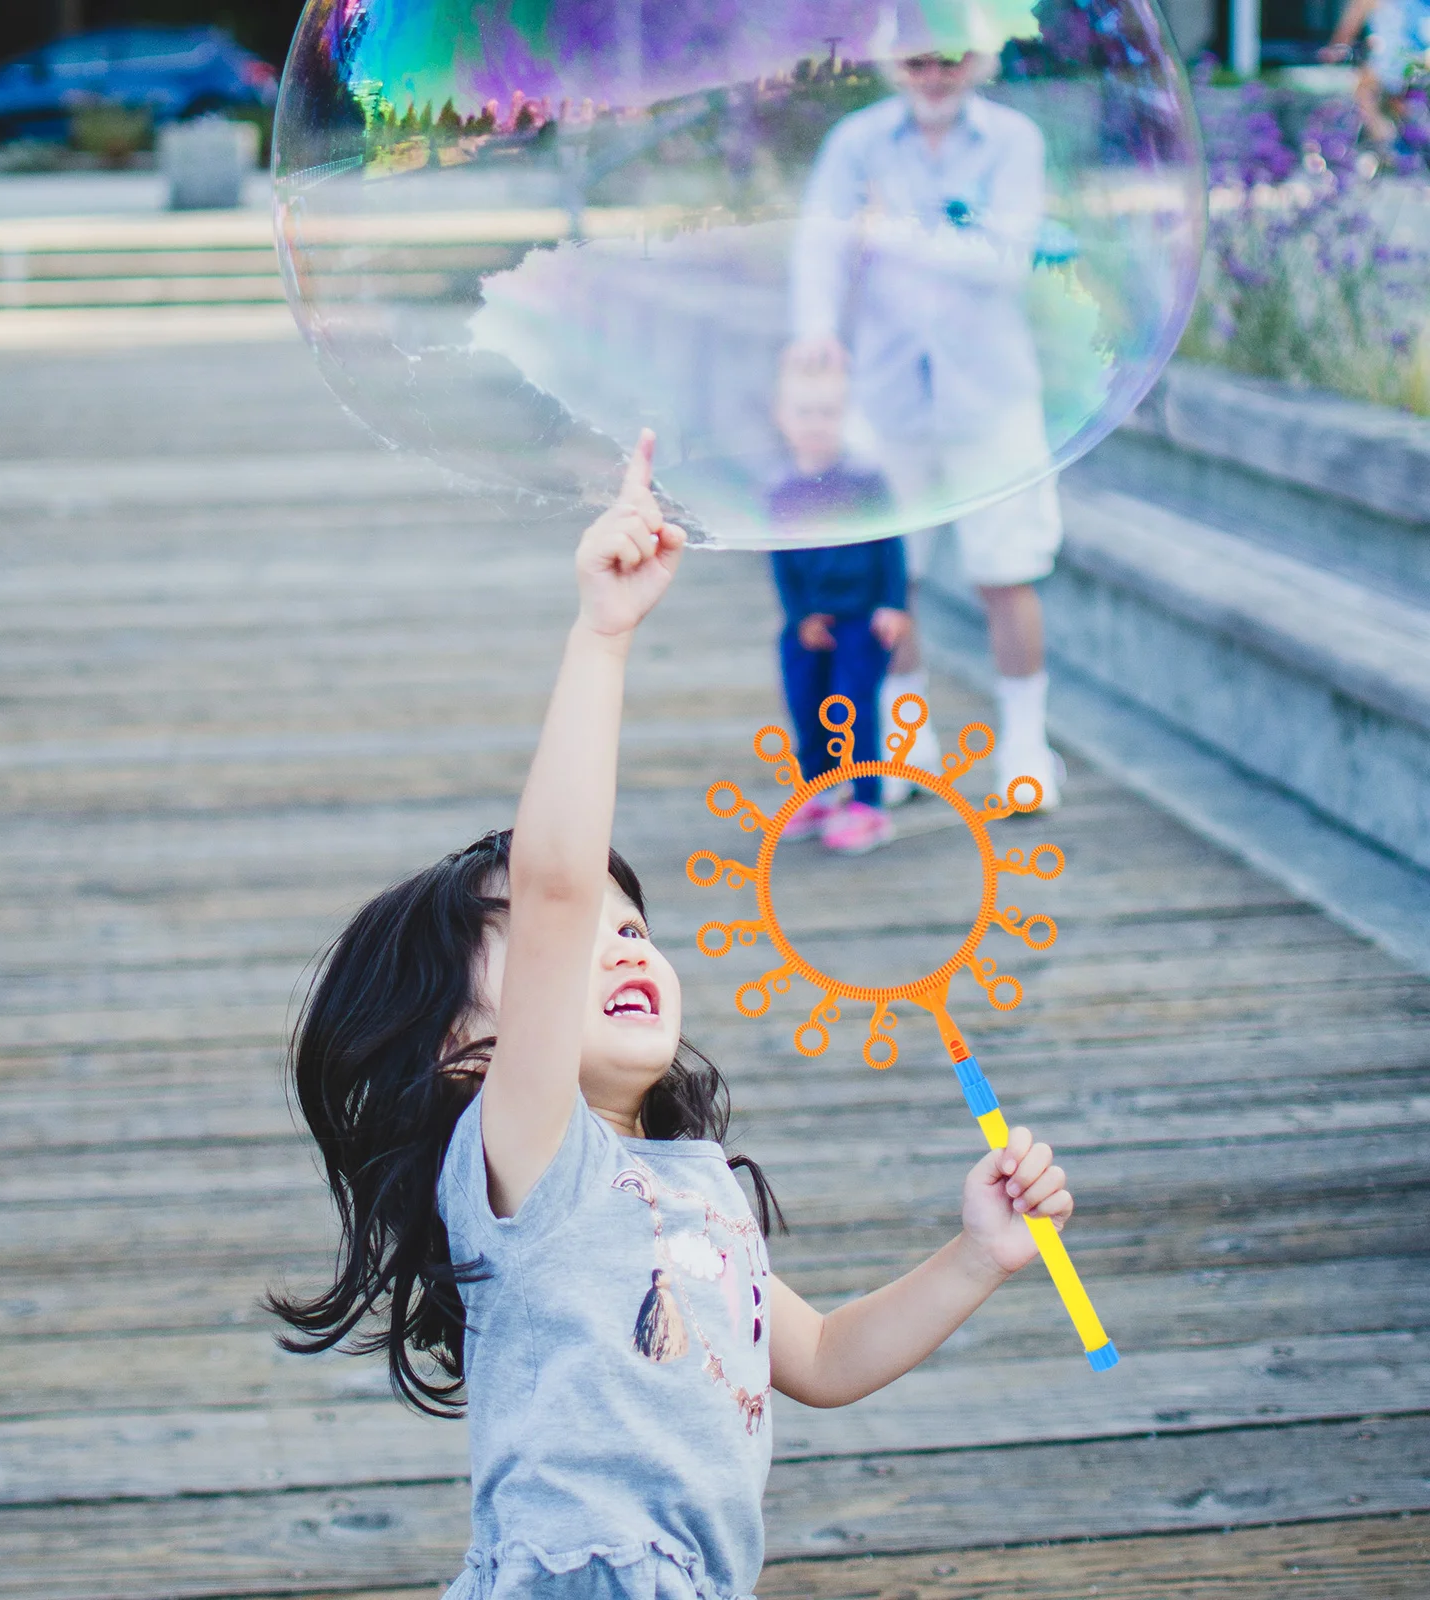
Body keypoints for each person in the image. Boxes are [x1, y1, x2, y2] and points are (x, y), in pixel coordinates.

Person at [269, 430, 1078, 1600]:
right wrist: (604, 636)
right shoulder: (531, 1164)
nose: (618, 940)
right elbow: (552, 883)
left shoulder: (693, 1188)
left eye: (633, 928)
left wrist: (974, 1257)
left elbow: (823, 1357)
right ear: (459, 1046)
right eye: (565, 942)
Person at [790, 0, 1067, 807]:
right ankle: (904, 743)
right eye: (916, 60)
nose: (933, 73)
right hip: (886, 389)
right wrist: (815, 330)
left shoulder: (1014, 141)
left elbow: (1005, 261)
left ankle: (1025, 746)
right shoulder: (857, 143)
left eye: (949, 57)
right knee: (885, 576)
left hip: (991, 393)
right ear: (891, 64)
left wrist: (891, 233)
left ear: (979, 60)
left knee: (1006, 572)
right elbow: (820, 240)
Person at [768, 358, 912, 853]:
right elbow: (782, 560)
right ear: (782, 417)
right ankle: (820, 789)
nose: (816, 423)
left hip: (860, 618)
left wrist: (893, 604)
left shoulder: (865, 481)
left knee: (851, 707)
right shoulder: (783, 489)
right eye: (804, 412)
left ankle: (868, 802)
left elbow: (890, 545)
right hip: (810, 621)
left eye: (828, 412)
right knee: (807, 705)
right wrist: (800, 615)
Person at [1322, 0, 1430, 147]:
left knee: (1365, 91)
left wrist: (1337, 48)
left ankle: (1392, 147)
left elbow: (1350, 26)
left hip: (1398, 61)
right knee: (1396, 102)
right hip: (1416, 60)